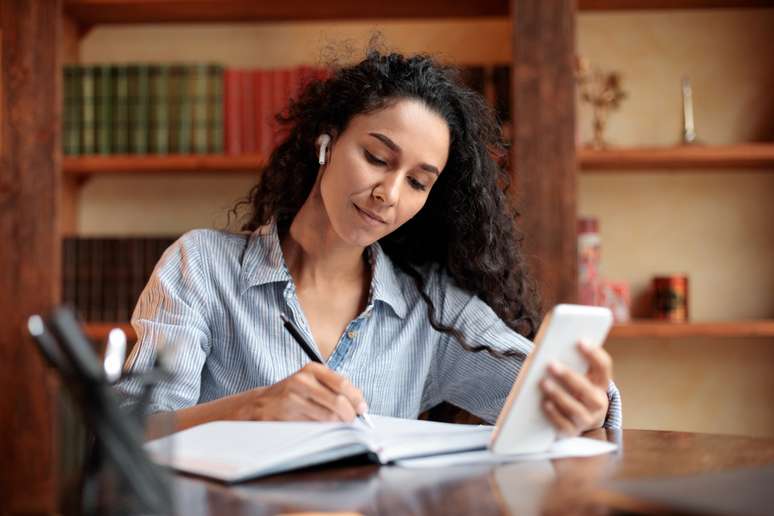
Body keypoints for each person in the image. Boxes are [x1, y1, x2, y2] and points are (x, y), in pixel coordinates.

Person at [116, 50, 621, 437]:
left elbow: (546, 394)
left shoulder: (431, 308)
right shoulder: (202, 266)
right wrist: (251, 408)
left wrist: (586, 401)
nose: (389, 194)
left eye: (418, 183)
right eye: (378, 157)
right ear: (327, 141)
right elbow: (130, 430)